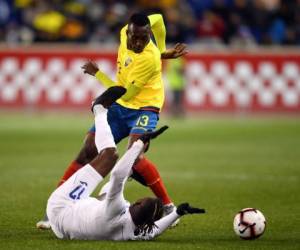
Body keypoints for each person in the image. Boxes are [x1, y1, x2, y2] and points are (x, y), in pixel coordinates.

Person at [37, 13, 187, 229]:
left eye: (144, 39)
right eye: (134, 37)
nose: (138, 43)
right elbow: (159, 19)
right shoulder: (125, 33)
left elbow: (125, 94)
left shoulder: (150, 58)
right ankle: (55, 209)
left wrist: (97, 73)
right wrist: (163, 48)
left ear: (148, 37)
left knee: (134, 156)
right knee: (87, 150)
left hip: (145, 106)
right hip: (121, 108)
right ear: (127, 31)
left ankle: (168, 206)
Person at [47, 86, 205, 240]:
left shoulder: (116, 208)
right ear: (145, 224)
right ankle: (131, 173)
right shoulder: (133, 233)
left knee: (110, 156)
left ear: (138, 202)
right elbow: (154, 232)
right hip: (62, 232)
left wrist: (139, 144)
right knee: (106, 196)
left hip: (61, 207)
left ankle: (99, 110)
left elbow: (116, 175)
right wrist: (177, 213)